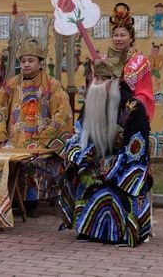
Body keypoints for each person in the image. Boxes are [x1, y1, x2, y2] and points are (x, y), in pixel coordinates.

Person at [58, 57, 153, 246]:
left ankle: (120, 232)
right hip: (94, 162)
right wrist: (77, 152)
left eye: (104, 79)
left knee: (115, 185)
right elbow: (79, 133)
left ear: (116, 81)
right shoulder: (91, 103)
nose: (98, 84)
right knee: (79, 171)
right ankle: (86, 228)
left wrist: (111, 166)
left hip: (123, 166)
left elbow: (137, 148)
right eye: (96, 78)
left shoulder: (133, 107)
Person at [0, 38, 73, 218]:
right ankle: (10, 199)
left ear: (41, 63)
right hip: (14, 139)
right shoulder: (11, 85)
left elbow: (62, 114)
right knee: (4, 156)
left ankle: (32, 202)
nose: (26, 64)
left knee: (34, 159)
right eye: (23, 61)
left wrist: (45, 137)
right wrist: (1, 138)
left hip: (42, 138)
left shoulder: (52, 85)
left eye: (31, 60)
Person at [107, 2, 155, 121]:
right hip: (108, 114)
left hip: (131, 113)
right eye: (115, 35)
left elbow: (144, 94)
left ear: (131, 38)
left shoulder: (140, 62)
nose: (118, 39)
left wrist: (128, 108)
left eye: (123, 35)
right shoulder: (105, 60)